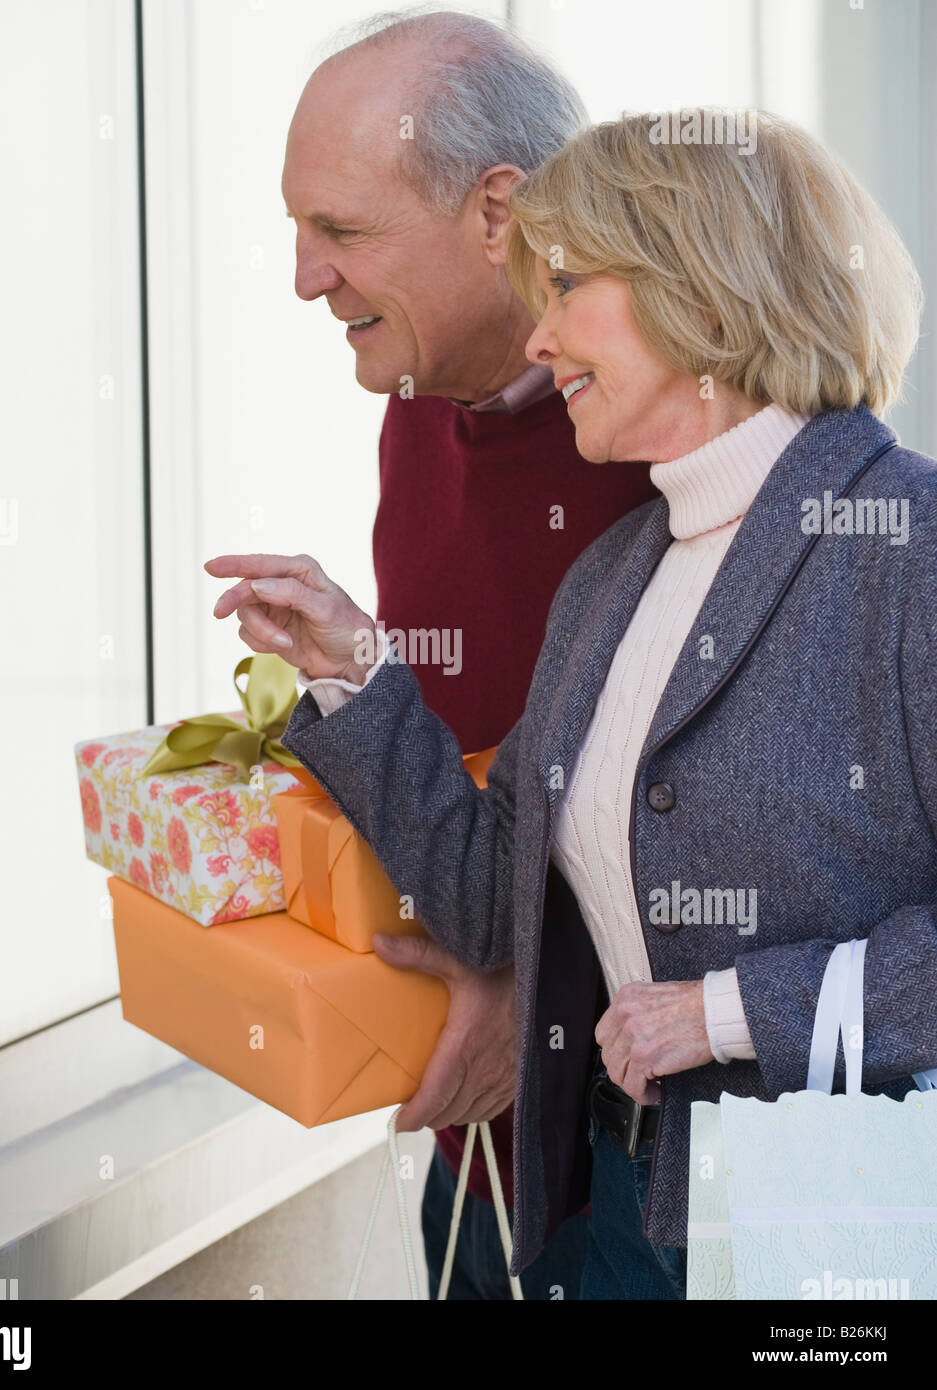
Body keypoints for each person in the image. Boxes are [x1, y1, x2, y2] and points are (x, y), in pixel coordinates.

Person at [216, 108, 935, 1298]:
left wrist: (728, 1012)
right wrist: (352, 670)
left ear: (701, 291)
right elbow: (496, 902)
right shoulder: (614, 575)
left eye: (563, 289)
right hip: (620, 1222)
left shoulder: (905, 548)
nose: (539, 340)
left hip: (836, 1240)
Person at [280, 9, 656, 1298]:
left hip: (646, 1148)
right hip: (474, 1131)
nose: (303, 278)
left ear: (498, 212)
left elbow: (775, 848)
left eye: (340, 230)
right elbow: (470, 759)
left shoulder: (678, 441)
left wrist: (539, 989)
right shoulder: (416, 410)